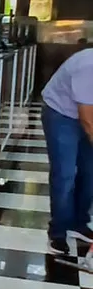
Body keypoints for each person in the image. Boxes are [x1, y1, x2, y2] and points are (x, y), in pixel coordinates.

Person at [41, 45, 93, 255]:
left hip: (85, 114)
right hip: (60, 115)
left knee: (90, 173)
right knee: (65, 174)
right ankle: (58, 232)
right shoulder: (88, 66)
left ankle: (78, 223)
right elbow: (87, 120)